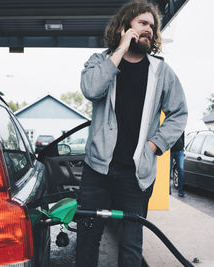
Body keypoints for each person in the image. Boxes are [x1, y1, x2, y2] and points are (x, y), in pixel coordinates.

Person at [76, 1, 188, 266]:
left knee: (131, 245)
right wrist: (121, 48)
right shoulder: (100, 62)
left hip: (136, 174)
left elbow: (179, 114)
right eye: (142, 23)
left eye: (152, 25)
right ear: (125, 26)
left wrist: (154, 145)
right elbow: (91, 89)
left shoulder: (161, 72)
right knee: (87, 239)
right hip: (97, 172)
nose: (149, 29)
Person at [170, 132, 186, 197]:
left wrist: (182, 146)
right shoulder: (169, 124)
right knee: (168, 169)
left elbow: (183, 137)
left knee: (181, 170)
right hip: (170, 151)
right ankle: (167, 190)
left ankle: (180, 191)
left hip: (180, 151)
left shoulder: (181, 125)